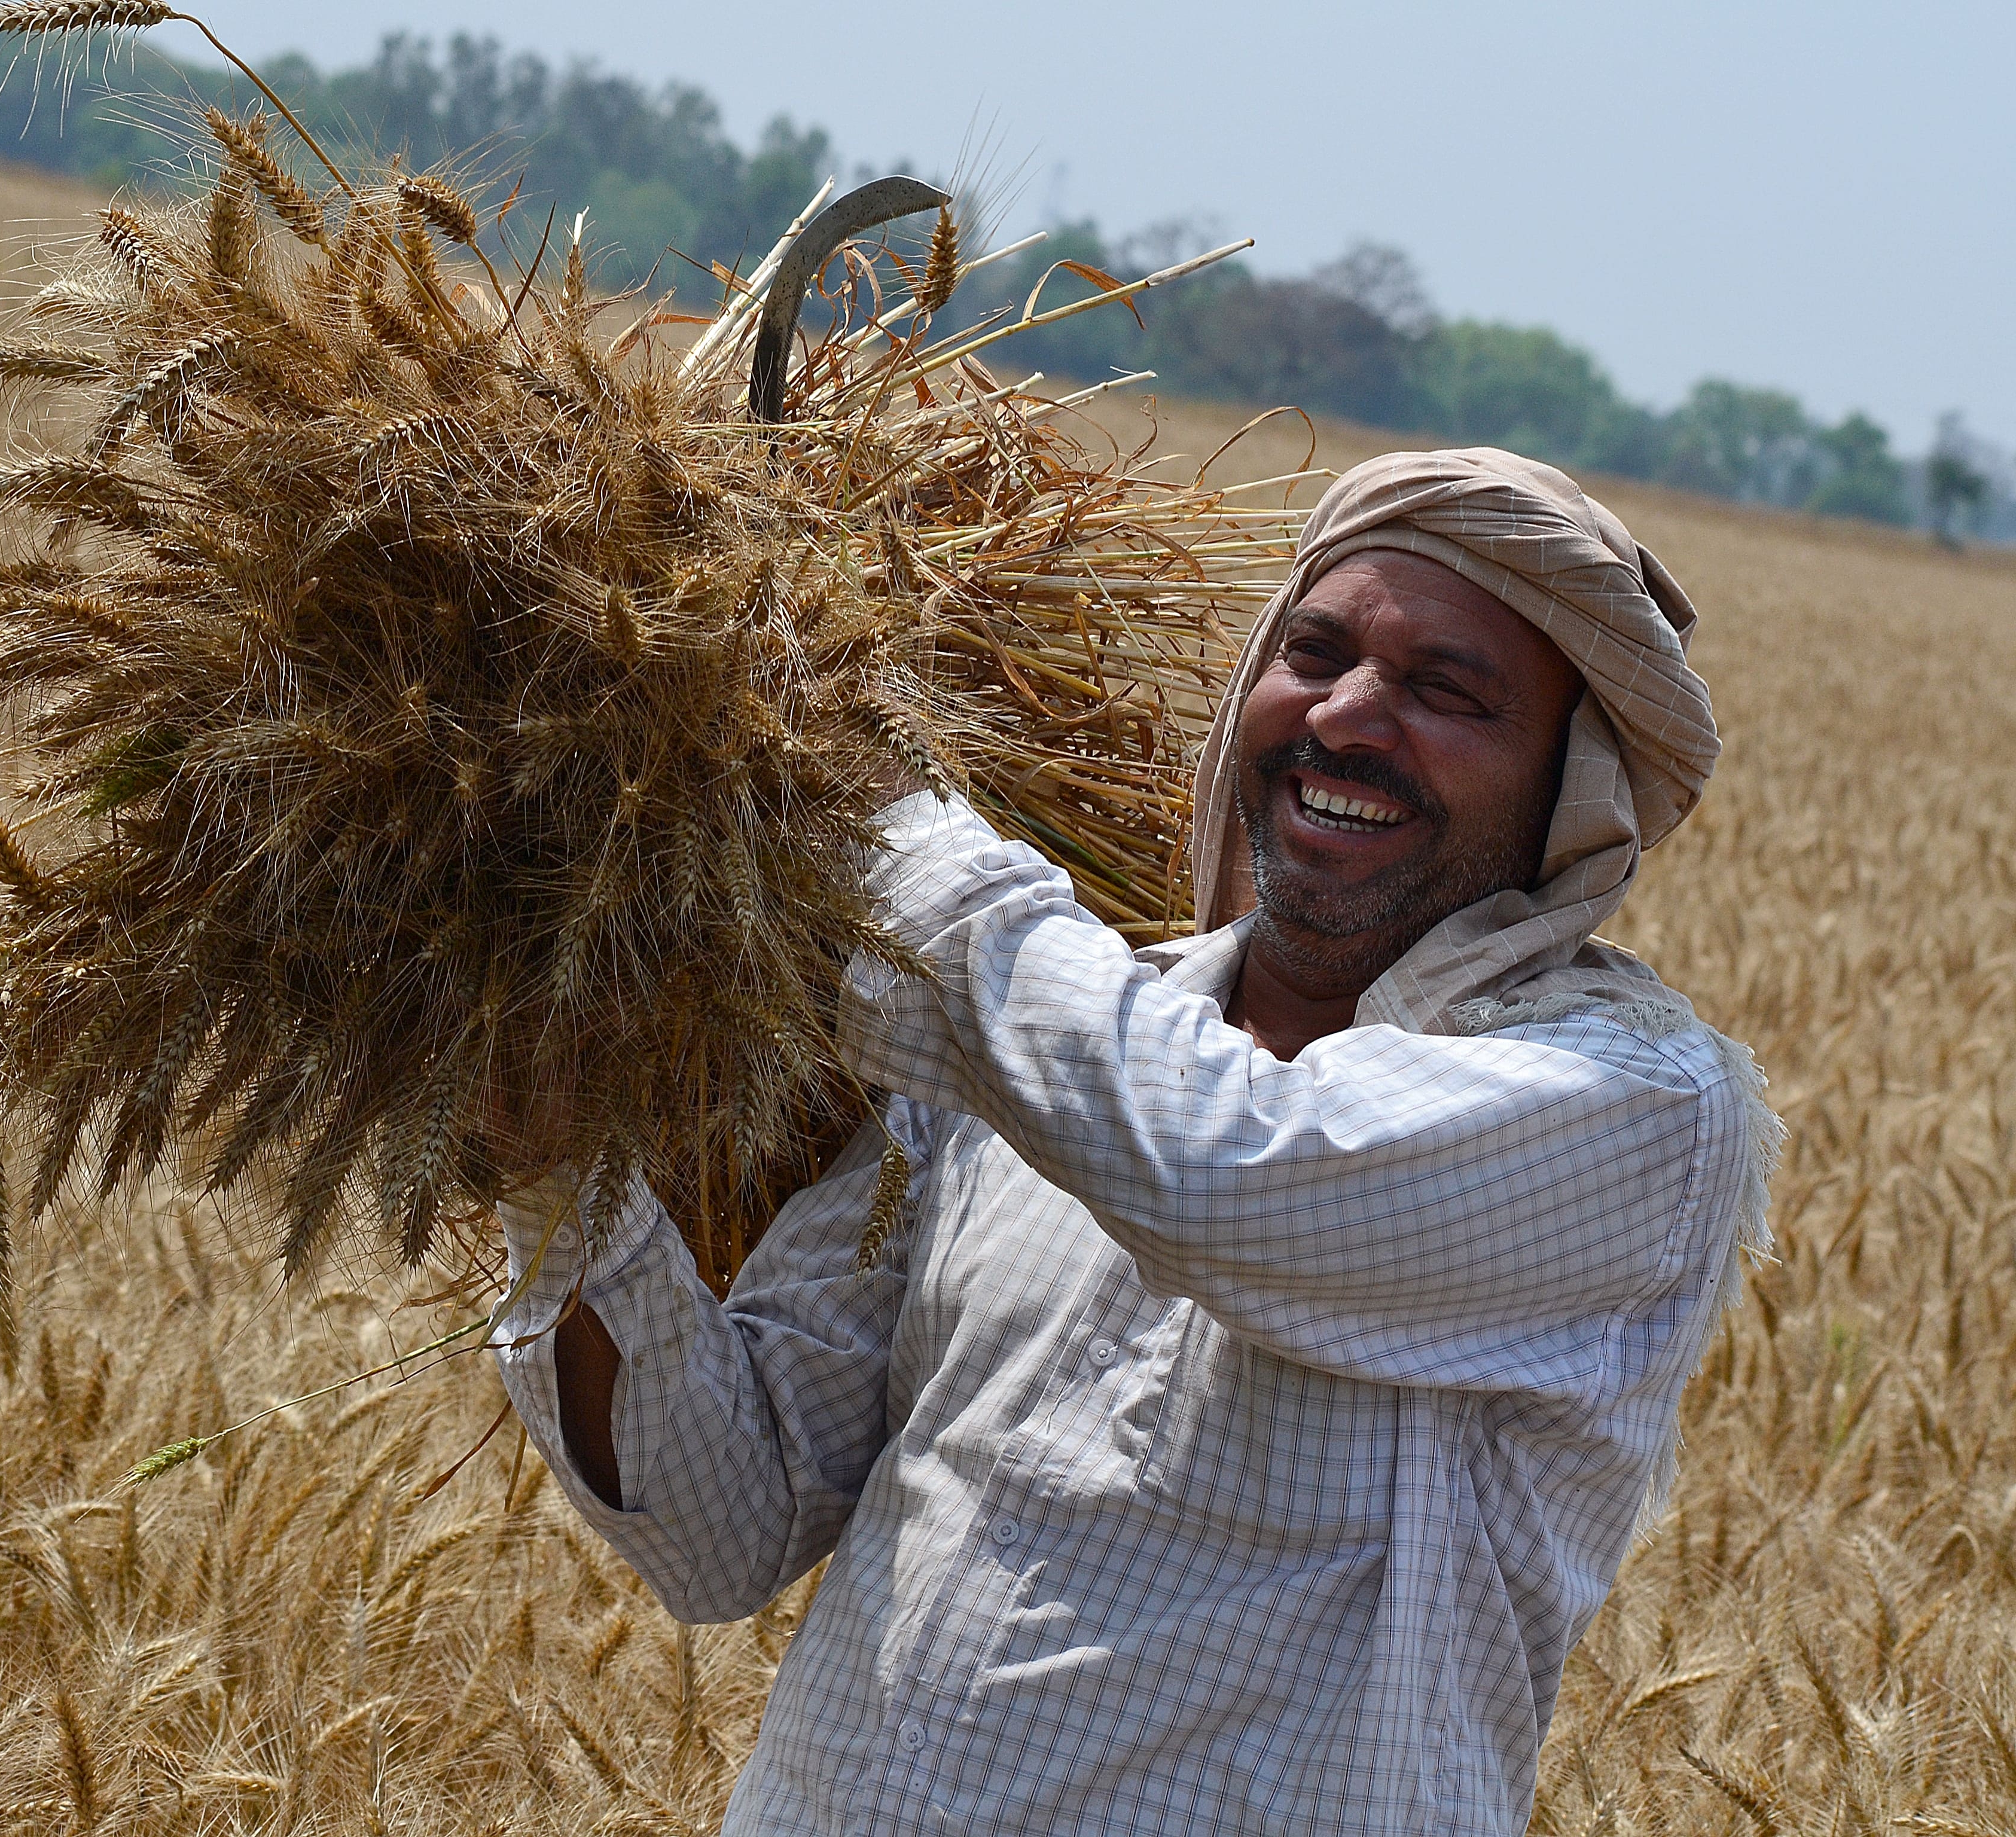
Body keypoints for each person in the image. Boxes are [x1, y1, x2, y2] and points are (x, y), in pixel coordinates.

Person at [489, 447, 1781, 1836]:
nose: (1347, 715)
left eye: (1444, 690)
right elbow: (719, 1528)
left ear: (1568, 799)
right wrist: (560, 1167)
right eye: (1315, 651)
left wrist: (856, 791)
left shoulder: (1630, 1104)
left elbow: (1231, 1169)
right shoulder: (1035, 1052)